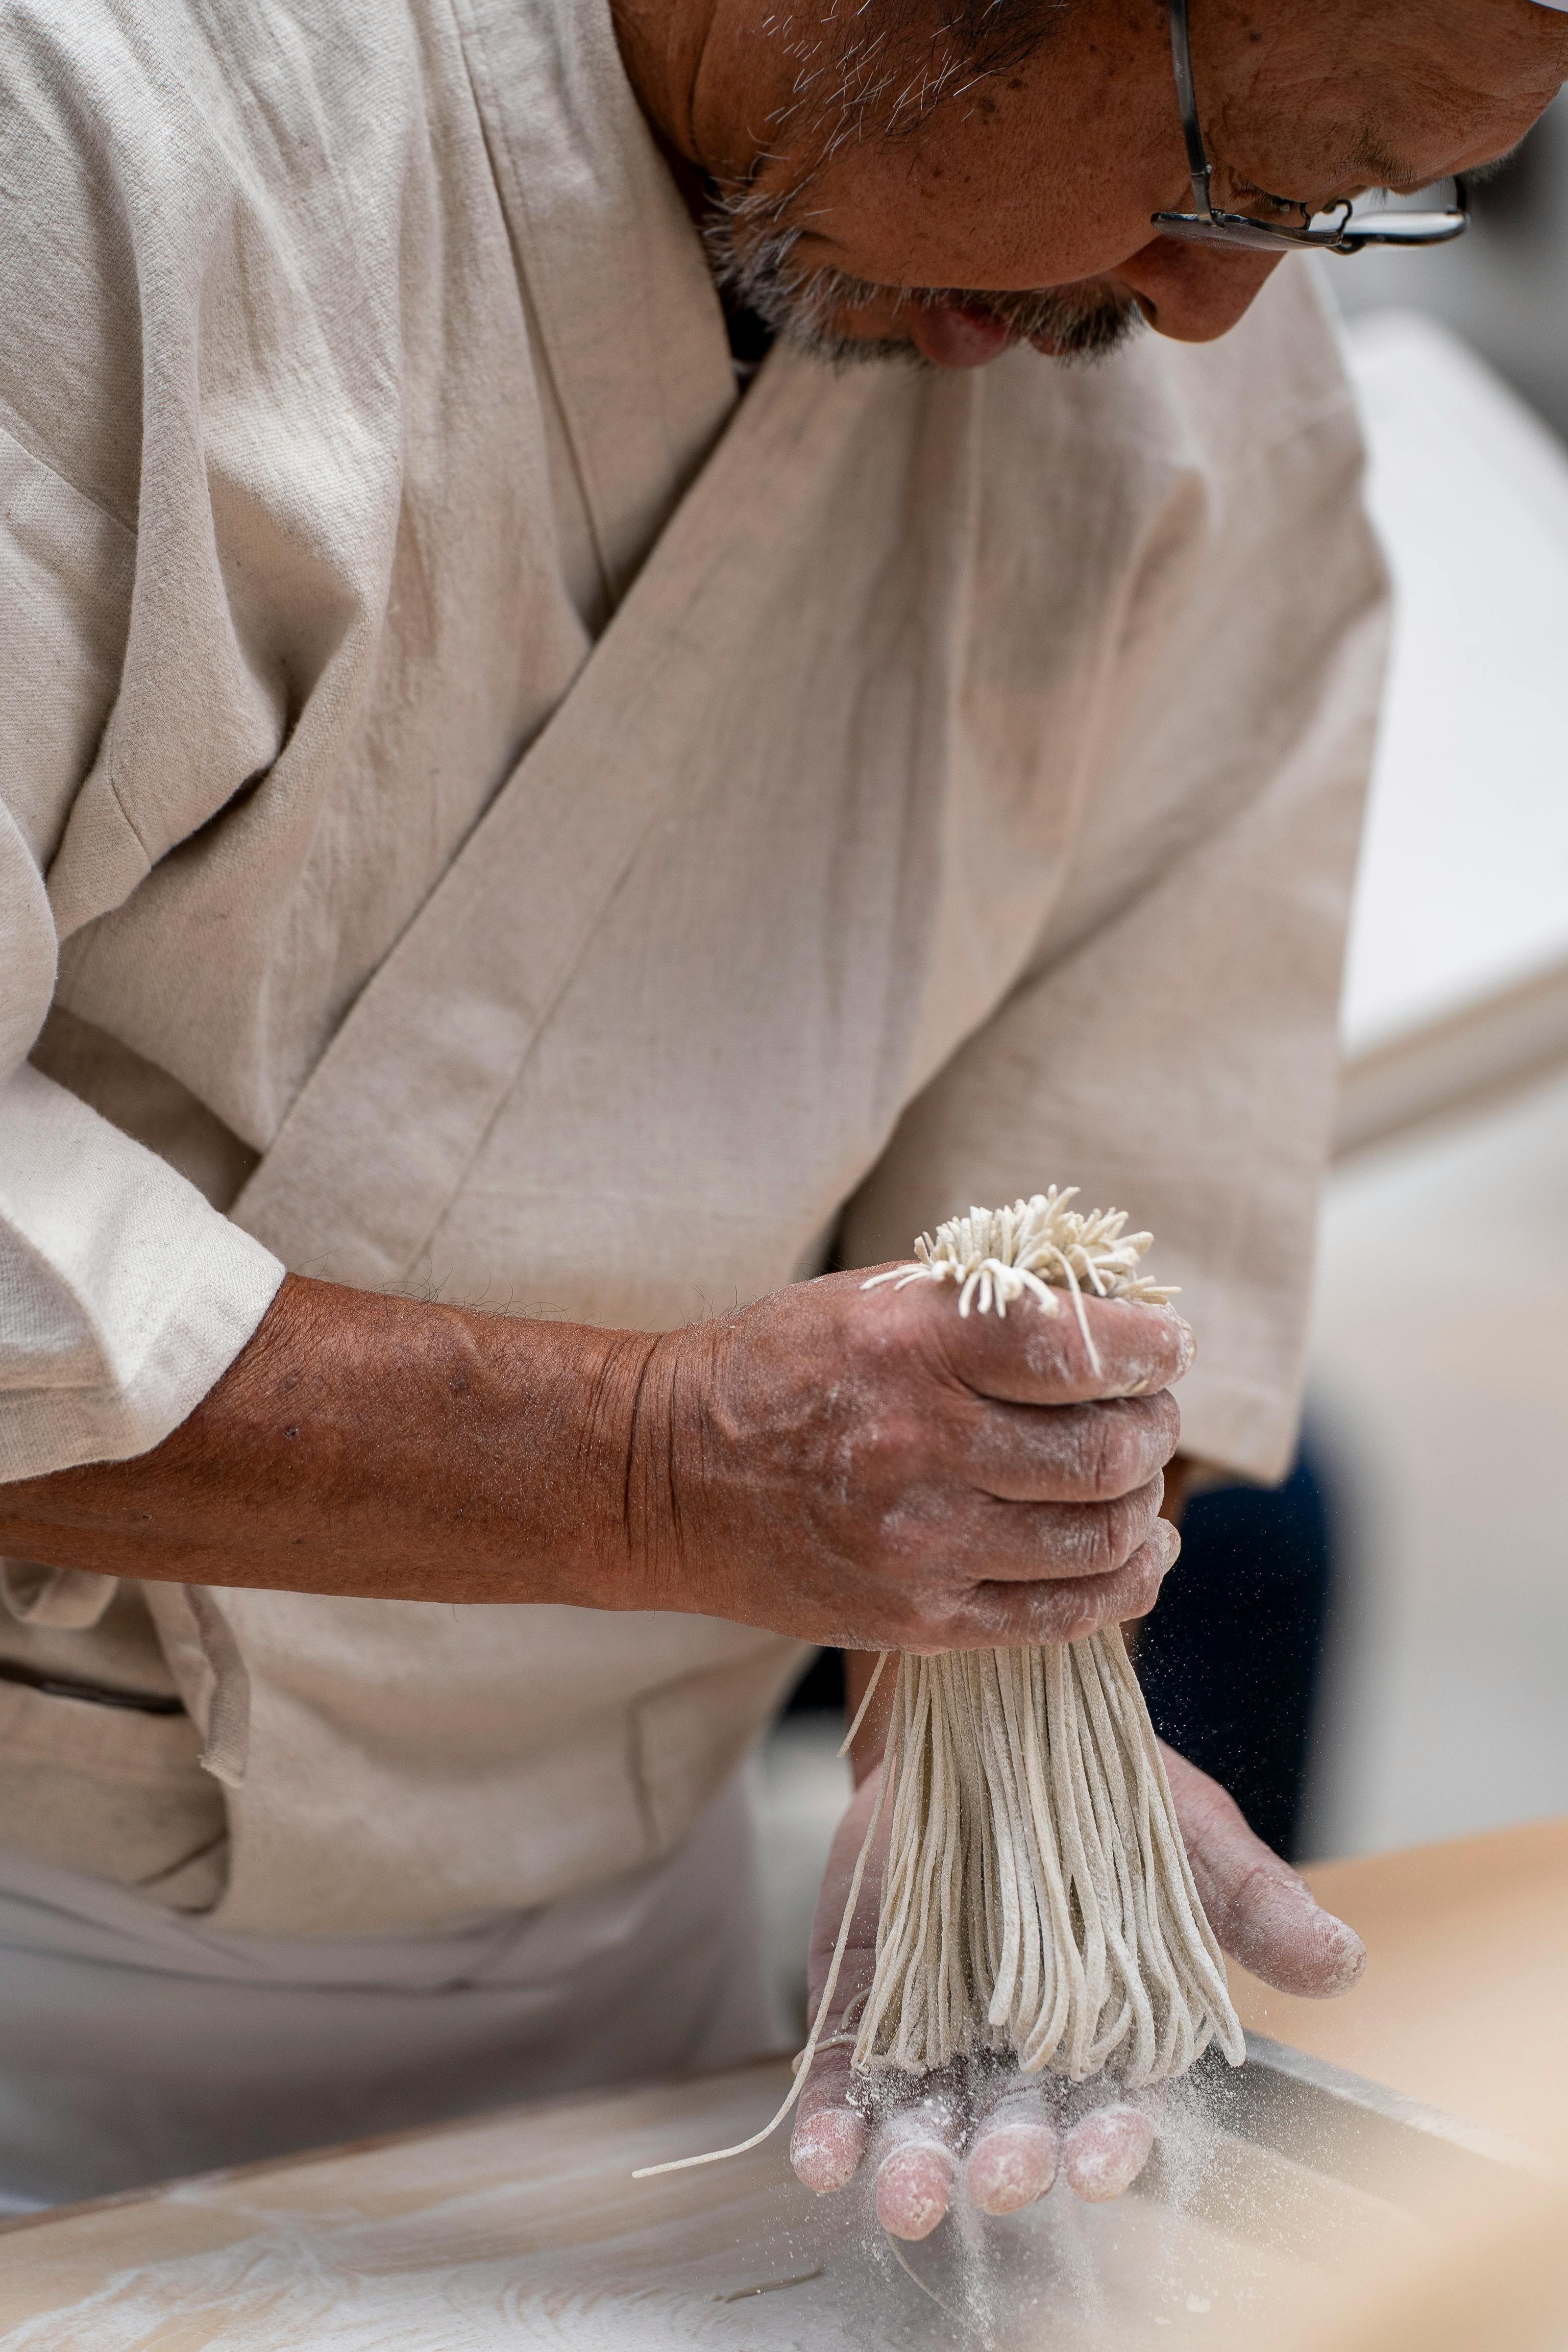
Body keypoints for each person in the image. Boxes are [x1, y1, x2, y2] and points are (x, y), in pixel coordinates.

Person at [0, 0, 1561, 2223]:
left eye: (1349, 204)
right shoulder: (95, 135)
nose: (1226, 288)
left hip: (618, 1955)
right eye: (1240, 160)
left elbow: (1104, 1171)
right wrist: (656, 1465)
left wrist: (997, 1737)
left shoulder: (1209, 399)